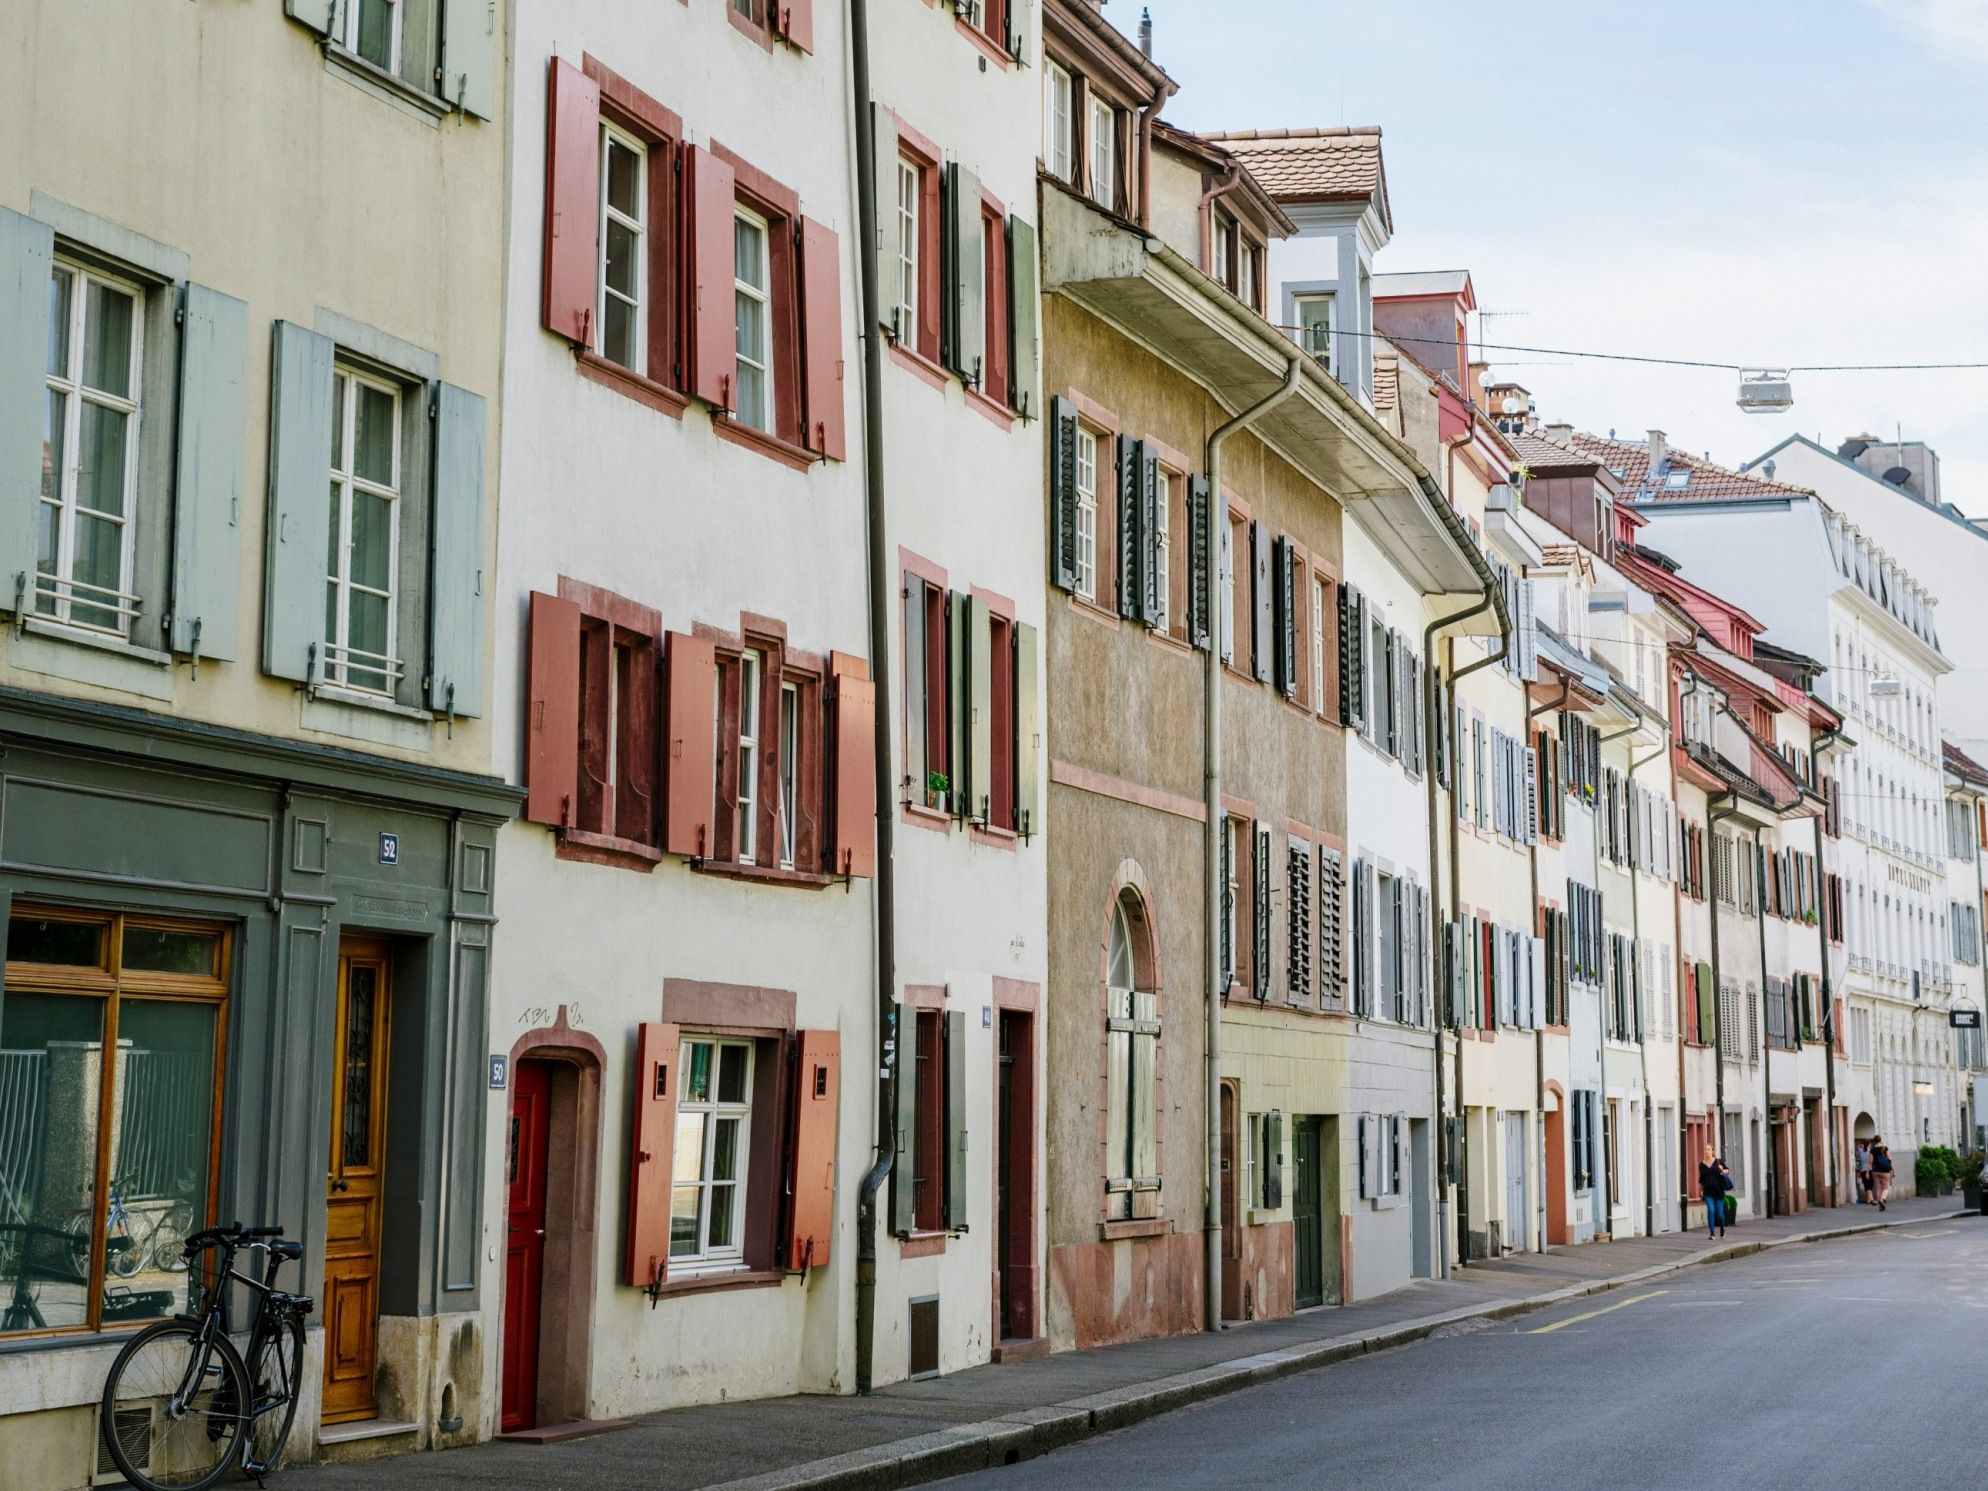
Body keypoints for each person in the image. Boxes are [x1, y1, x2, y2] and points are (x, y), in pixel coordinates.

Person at [1699, 1146, 1732, 1238]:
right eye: (1705, 1149)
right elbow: (1702, 1179)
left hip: (1718, 1191)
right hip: (1708, 1191)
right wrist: (1701, 1190)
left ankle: (1722, 1228)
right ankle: (1712, 1233)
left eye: (1708, 1149)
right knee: (1711, 1210)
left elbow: (1727, 1171)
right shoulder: (1701, 1164)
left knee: (1720, 1214)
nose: (1706, 1151)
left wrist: (1722, 1169)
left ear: (1712, 1151)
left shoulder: (1718, 1161)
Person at [1871, 1141, 1893, 1210]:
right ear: (1880, 1142)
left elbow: (1870, 1161)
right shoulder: (1885, 1148)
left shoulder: (1872, 1150)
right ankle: (1882, 1199)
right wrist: (1892, 1170)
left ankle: (1880, 1206)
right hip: (1885, 1171)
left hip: (1875, 1171)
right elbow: (1890, 1160)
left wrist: (1868, 1170)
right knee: (1886, 1188)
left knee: (1878, 1188)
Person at [1855, 1139, 1873, 1204]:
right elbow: (1871, 1162)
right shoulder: (1870, 1152)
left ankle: (1868, 1200)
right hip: (1869, 1170)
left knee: (1866, 1185)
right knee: (1870, 1186)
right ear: (1869, 1145)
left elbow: (1856, 1152)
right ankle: (1871, 1199)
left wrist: (1860, 1146)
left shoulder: (1860, 1151)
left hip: (1862, 1170)